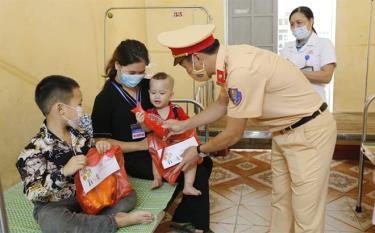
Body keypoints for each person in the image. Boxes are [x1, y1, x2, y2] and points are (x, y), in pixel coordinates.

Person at [158, 24, 337, 233]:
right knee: (282, 203)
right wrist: (183, 125)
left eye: (186, 66)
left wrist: (198, 151)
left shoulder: (240, 70)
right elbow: (222, 104)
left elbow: (233, 134)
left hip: (309, 133)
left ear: (197, 58)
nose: (189, 72)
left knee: (306, 213)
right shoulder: (230, 60)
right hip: (283, 132)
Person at [91, 40, 213, 233]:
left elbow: (166, 106)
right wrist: (141, 145)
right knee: (196, 171)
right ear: (117, 66)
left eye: (141, 72)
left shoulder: (148, 87)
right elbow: (101, 142)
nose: (137, 77)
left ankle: (183, 218)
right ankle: (197, 226)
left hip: (161, 145)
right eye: (132, 73)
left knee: (204, 161)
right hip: (133, 156)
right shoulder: (105, 100)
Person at [16, 75, 153, 233]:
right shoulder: (32, 151)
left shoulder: (80, 133)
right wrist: (63, 172)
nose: (81, 109)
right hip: (60, 203)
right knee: (52, 222)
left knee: (128, 197)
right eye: (79, 104)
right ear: (60, 109)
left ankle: (86, 221)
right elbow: (33, 193)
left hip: (91, 194)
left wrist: (100, 147)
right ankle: (116, 220)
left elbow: (93, 154)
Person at [135, 72, 202, 196]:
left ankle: (188, 185)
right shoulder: (150, 113)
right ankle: (157, 179)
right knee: (154, 158)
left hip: (178, 145)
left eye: (162, 93)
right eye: (153, 93)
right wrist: (141, 122)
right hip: (161, 146)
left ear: (171, 95)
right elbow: (147, 130)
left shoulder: (176, 110)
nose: (157, 97)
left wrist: (180, 125)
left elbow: (188, 124)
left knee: (192, 160)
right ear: (149, 93)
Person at [280, 6, 336, 102]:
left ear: (311, 21)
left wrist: (295, 71)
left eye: (299, 23)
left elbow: (326, 76)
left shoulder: (324, 44)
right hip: (290, 101)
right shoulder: (287, 47)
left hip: (314, 102)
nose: (295, 27)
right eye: (292, 24)